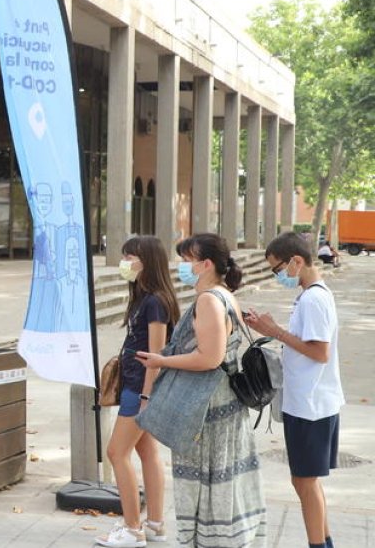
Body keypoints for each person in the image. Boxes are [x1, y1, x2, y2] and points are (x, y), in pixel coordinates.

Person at [136, 233, 266, 547]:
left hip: (207, 410)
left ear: (205, 264)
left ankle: (213, 540)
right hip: (225, 404)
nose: (181, 266)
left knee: (208, 482)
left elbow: (210, 357)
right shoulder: (225, 294)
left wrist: (161, 361)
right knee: (226, 480)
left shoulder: (209, 300)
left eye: (186, 260)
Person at [245, 232, 343, 548]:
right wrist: (270, 330)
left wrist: (275, 331)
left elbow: (319, 351)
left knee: (304, 480)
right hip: (308, 401)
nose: (277, 276)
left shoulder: (314, 298)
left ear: (296, 261)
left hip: (312, 403)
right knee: (304, 480)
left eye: (277, 269)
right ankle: (323, 541)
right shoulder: (310, 295)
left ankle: (319, 544)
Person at [96, 236, 179, 547]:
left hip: (141, 387)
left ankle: (133, 529)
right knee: (146, 452)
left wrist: (145, 397)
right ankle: (155, 524)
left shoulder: (155, 302)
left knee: (116, 453)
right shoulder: (144, 297)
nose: (125, 261)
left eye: (130, 256)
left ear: (147, 260)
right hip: (136, 385)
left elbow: (155, 355)